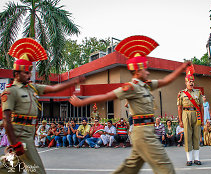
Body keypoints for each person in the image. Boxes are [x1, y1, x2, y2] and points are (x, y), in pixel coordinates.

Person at [69, 35, 190, 173]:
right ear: (138, 71)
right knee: (165, 167)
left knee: (129, 168)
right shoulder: (131, 87)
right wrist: (82, 102)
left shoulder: (147, 85)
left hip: (145, 132)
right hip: (143, 133)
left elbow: (166, 81)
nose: (148, 72)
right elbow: (107, 96)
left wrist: (181, 68)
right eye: (145, 69)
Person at [0, 38, 84, 173]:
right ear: (16, 74)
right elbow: (7, 120)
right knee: (37, 170)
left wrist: (74, 81)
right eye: (26, 72)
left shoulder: (32, 88)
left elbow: (54, 89)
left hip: (29, 133)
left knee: (11, 169)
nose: (29, 75)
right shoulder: (10, 91)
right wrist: (15, 143)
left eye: (29, 72)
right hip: (20, 135)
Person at [177, 65, 203, 166]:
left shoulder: (198, 92)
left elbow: (201, 107)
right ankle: (189, 159)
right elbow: (179, 107)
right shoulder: (181, 93)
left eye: (192, 81)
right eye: (189, 81)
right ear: (186, 82)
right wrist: (180, 120)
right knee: (187, 136)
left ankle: (196, 159)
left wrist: (203, 119)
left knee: (196, 135)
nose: (191, 83)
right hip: (186, 114)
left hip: (196, 114)